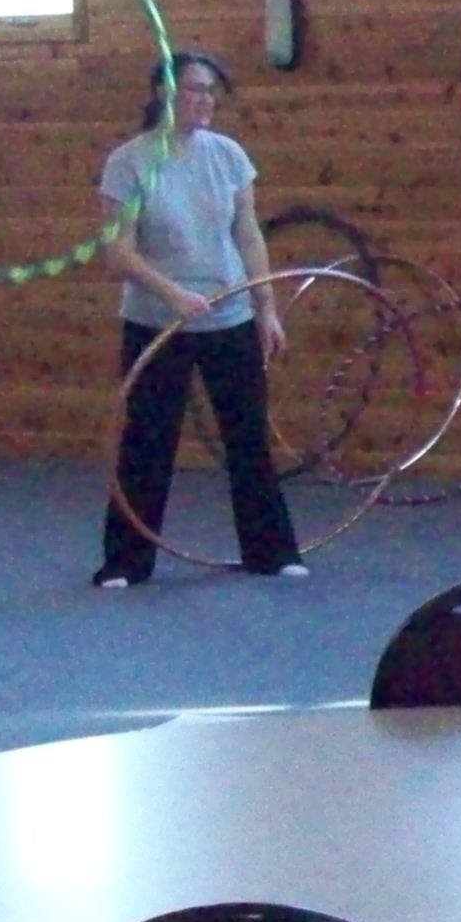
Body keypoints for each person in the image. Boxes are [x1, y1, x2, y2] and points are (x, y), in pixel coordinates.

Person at [93, 49, 304, 585]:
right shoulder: (130, 162)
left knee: (247, 436)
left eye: (211, 90)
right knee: (148, 442)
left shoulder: (229, 156)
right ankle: (125, 561)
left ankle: (273, 552)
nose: (205, 100)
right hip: (155, 322)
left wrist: (266, 308)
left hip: (228, 316)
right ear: (163, 93)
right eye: (194, 89)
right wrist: (173, 295)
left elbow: (248, 234)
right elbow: (118, 251)